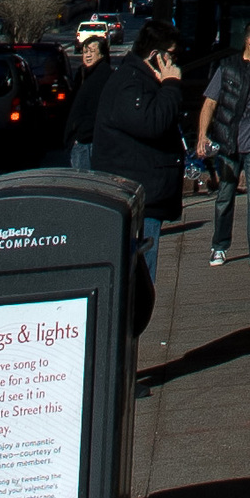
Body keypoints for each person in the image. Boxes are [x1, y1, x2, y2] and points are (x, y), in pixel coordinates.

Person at [91, 24, 189, 388]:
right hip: (135, 202)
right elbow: (153, 122)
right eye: (172, 57)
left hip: (144, 198)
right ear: (157, 56)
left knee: (138, 290)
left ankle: (123, 369)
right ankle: (118, 373)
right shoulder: (132, 83)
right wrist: (172, 85)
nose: (177, 66)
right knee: (135, 291)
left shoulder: (133, 81)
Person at [195, 17, 250, 269]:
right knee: (225, 196)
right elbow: (210, 102)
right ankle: (219, 247)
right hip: (228, 142)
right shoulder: (228, 67)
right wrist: (202, 135)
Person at [66, 32, 110, 173]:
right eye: (85, 51)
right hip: (82, 141)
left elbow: (96, 111)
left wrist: (81, 136)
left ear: (102, 54)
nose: (87, 55)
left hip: (88, 143)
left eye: (92, 51)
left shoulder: (102, 76)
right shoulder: (84, 74)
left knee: (85, 185)